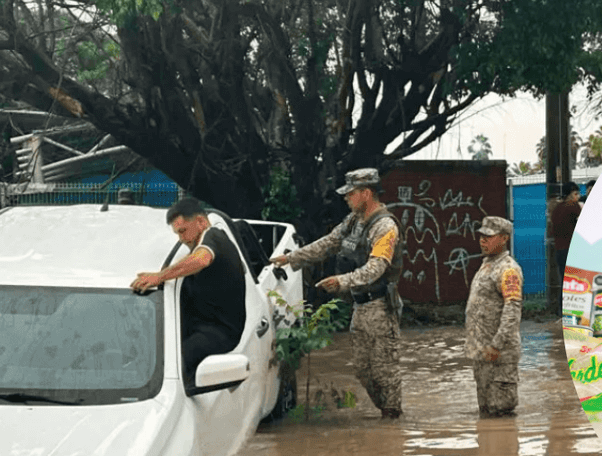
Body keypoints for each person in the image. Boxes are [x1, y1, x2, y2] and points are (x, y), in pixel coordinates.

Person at [269, 168, 405, 419]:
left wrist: (342, 281)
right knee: (362, 370)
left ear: (366, 193)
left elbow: (376, 268)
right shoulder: (353, 221)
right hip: (360, 306)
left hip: (380, 307)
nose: (346, 198)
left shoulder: (385, 227)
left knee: (385, 371)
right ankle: (387, 415)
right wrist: (291, 258)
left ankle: (392, 421)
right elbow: (328, 243)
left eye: (351, 193)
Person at [131, 198, 247, 391]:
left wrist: (159, 277)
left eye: (183, 231)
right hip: (201, 324)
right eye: (177, 233)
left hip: (219, 332)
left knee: (174, 363)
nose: (181, 238)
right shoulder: (205, 243)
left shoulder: (213, 237)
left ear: (200, 222)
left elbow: (200, 260)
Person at [466, 216, 523, 417]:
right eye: (481, 236)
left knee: (501, 413)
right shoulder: (487, 265)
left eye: (489, 237)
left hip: (499, 354)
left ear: (504, 238)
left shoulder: (508, 269)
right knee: (486, 414)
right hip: (483, 353)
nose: (483, 240)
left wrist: (496, 345)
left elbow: (512, 310)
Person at [550, 182, 581, 285]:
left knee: (564, 281)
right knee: (576, 282)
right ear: (569, 195)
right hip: (572, 250)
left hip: (560, 250)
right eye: (576, 194)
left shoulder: (557, 209)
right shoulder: (573, 206)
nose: (578, 197)